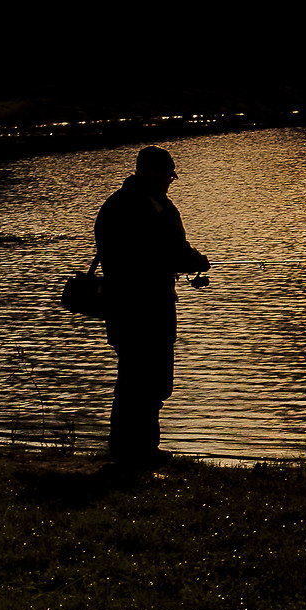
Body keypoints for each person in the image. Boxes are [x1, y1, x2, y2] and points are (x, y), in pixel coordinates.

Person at [94, 145, 209, 470]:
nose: (170, 182)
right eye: (168, 174)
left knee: (133, 378)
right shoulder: (152, 207)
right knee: (150, 380)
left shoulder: (114, 204)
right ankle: (139, 451)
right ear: (154, 172)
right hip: (149, 306)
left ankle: (129, 449)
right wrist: (198, 262)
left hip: (121, 306)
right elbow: (172, 251)